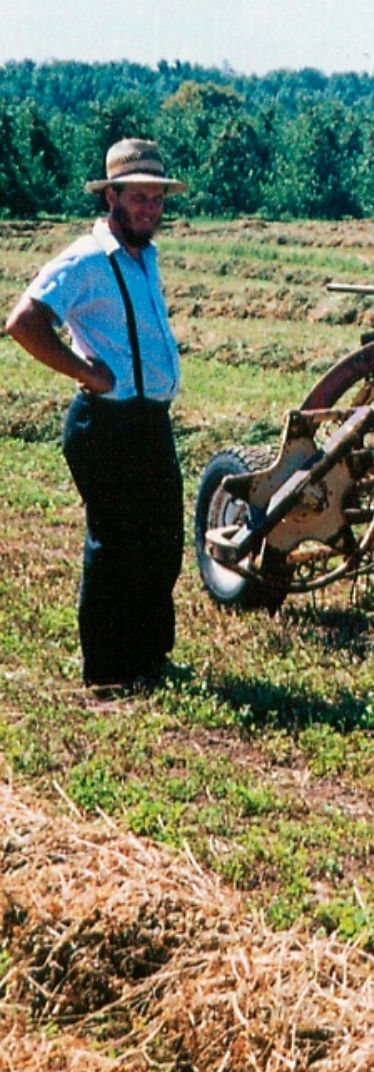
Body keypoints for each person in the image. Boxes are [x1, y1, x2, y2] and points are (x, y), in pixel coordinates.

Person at [5, 138, 189, 692]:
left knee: (161, 542)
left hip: (149, 422)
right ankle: (108, 676)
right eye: (138, 198)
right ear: (111, 196)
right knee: (115, 546)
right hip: (105, 426)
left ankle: (149, 659)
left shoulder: (143, 256)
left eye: (157, 199)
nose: (150, 209)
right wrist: (85, 372)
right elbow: (24, 322)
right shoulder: (87, 258)